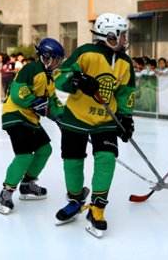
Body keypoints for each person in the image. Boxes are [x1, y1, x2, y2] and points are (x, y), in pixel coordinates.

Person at [54, 13, 135, 238]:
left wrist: (126, 119)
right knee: (72, 161)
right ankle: (76, 199)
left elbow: (126, 93)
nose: (125, 39)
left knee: (107, 159)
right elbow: (60, 77)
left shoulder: (125, 63)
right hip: (75, 117)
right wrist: (78, 80)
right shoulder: (86, 53)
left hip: (106, 121)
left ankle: (97, 208)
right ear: (110, 36)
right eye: (122, 35)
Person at [0, 38, 65, 215]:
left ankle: (27, 185)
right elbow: (18, 92)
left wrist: (65, 117)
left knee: (45, 150)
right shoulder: (31, 69)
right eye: (55, 59)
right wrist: (34, 102)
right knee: (24, 156)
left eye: (59, 60)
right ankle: (6, 193)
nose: (57, 63)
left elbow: (53, 102)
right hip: (15, 116)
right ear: (45, 57)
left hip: (30, 119)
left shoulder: (49, 79)